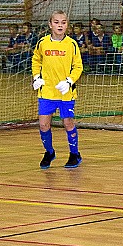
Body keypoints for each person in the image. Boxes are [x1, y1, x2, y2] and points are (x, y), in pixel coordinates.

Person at [32, 10, 83, 169]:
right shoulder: (42, 43)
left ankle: (75, 154)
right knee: (43, 125)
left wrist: (69, 81)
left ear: (67, 25)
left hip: (65, 93)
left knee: (68, 123)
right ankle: (49, 152)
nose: (60, 25)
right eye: (56, 22)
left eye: (63, 22)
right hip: (47, 92)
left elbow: (78, 67)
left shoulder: (72, 44)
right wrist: (36, 77)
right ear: (50, 24)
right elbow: (36, 61)